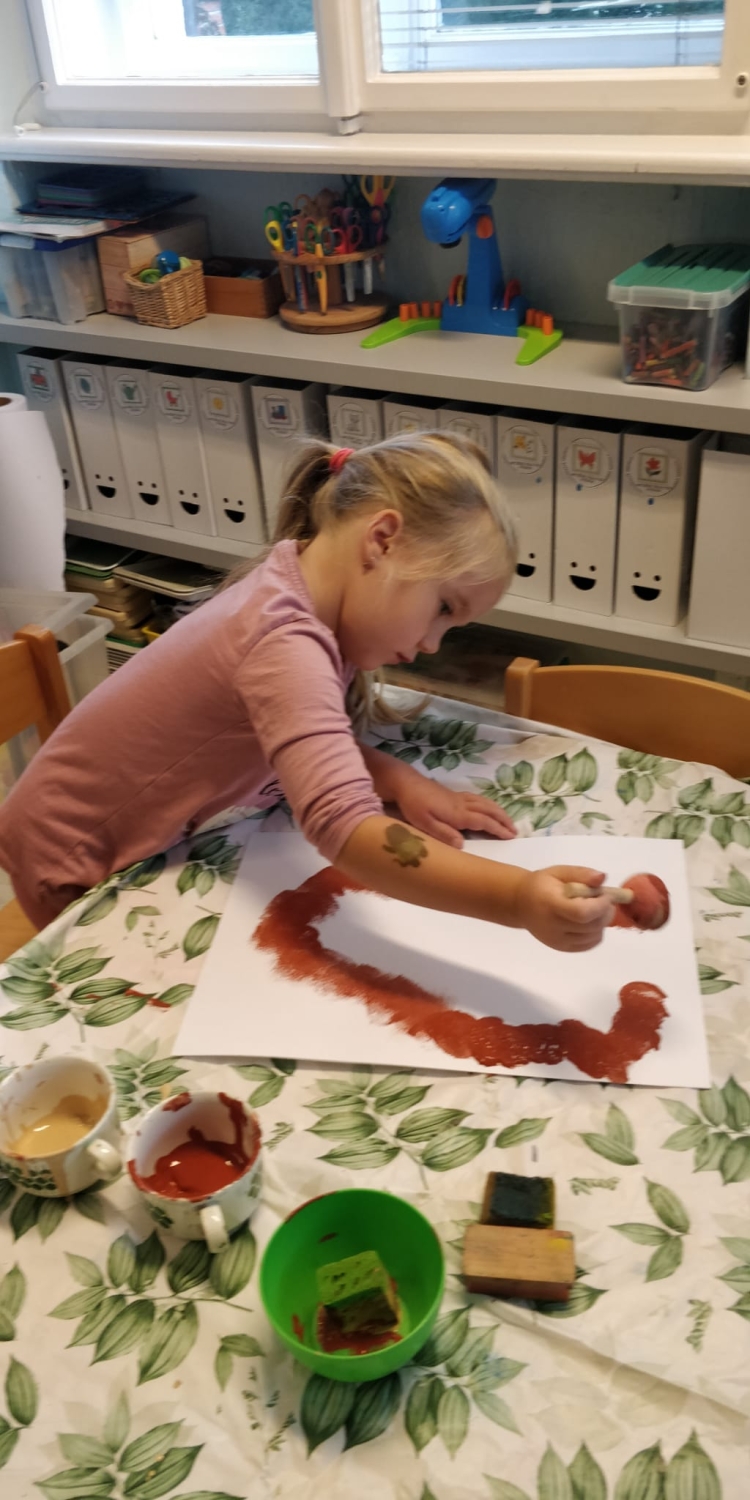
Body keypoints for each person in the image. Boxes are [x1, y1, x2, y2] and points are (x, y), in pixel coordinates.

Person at [0, 431, 612, 950]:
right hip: (73, 865)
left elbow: (306, 737)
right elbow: (344, 827)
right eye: (444, 608)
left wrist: (402, 782)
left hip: (134, 839)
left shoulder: (301, 588)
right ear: (383, 539)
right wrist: (517, 898)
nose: (432, 643)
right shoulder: (283, 640)